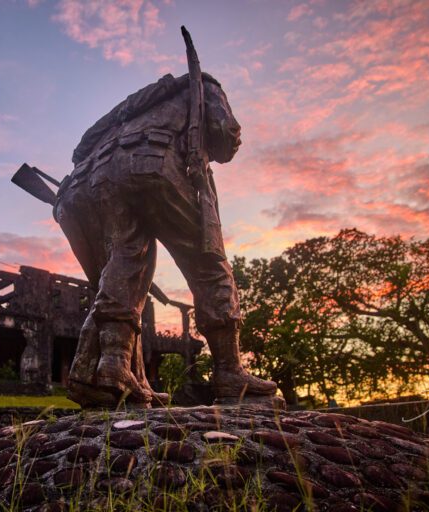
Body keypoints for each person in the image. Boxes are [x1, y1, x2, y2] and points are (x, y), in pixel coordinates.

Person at [54, 72, 278, 408]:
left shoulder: (126, 111)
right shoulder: (202, 86)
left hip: (87, 181)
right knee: (208, 262)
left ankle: (110, 368)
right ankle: (229, 372)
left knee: (127, 260)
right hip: (149, 162)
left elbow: (78, 151)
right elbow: (225, 133)